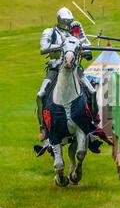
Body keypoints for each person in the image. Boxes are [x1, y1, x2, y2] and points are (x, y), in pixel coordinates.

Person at [36, 7, 99, 141]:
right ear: (60, 20)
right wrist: (63, 45)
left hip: (74, 69)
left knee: (92, 91)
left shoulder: (74, 31)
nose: (69, 23)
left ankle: (93, 121)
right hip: (55, 69)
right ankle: (43, 127)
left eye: (70, 20)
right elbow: (43, 48)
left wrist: (81, 39)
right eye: (66, 21)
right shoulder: (50, 32)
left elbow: (86, 46)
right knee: (40, 94)